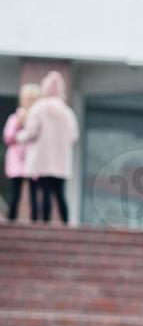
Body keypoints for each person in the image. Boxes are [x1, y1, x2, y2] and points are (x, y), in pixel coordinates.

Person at [19, 72, 78, 224]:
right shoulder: (67, 112)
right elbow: (73, 136)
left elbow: (31, 132)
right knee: (59, 195)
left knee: (44, 193)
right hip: (60, 161)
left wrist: (19, 136)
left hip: (40, 159)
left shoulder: (38, 109)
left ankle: (44, 225)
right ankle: (65, 225)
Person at [3, 84, 38, 223]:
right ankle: (11, 222)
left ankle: (36, 224)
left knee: (34, 194)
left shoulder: (37, 119)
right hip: (16, 160)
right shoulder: (14, 118)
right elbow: (8, 137)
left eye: (32, 98)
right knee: (15, 194)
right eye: (26, 98)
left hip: (33, 159)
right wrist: (18, 124)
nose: (28, 101)